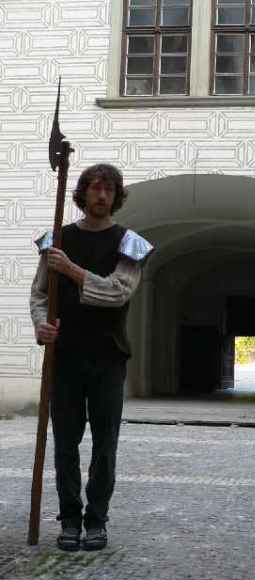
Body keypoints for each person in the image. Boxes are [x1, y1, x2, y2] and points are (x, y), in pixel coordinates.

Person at [30, 164, 153, 552]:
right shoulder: (57, 239)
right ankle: (69, 519)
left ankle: (96, 519)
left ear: (117, 197)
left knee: (104, 444)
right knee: (65, 443)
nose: (101, 195)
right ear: (82, 193)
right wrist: (41, 325)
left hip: (108, 356)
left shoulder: (129, 243)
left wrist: (71, 270)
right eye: (95, 188)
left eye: (109, 190)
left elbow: (118, 292)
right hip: (64, 356)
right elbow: (40, 294)